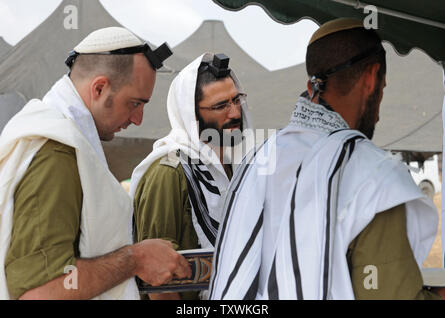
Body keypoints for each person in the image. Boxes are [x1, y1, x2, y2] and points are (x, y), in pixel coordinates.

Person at [209, 18, 445, 300]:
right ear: (371, 78)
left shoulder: (257, 159)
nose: (379, 110)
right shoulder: (372, 173)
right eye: (382, 88)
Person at [0, 27, 191, 300]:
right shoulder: (56, 151)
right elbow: (40, 292)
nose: (138, 119)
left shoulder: (66, 141)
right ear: (99, 88)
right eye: (135, 103)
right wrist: (135, 259)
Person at [130, 53, 253, 300]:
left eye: (236, 100)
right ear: (192, 115)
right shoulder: (168, 172)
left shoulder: (237, 167)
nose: (234, 113)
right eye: (221, 106)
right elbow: (159, 283)